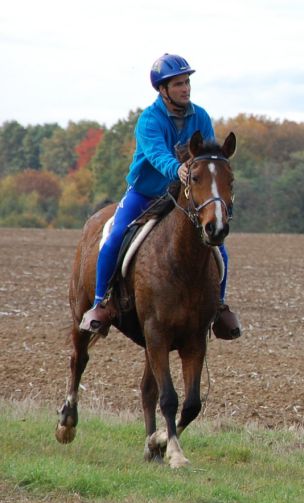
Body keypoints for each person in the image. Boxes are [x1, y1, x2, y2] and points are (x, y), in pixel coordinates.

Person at [80, 53, 241, 340]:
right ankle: (100, 303)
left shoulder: (200, 116)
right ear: (163, 90)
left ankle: (218, 307)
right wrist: (176, 169)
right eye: (178, 83)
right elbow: (156, 155)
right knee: (115, 236)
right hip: (144, 193)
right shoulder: (149, 120)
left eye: (187, 82)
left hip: (181, 197)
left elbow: (206, 155)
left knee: (220, 247)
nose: (186, 88)